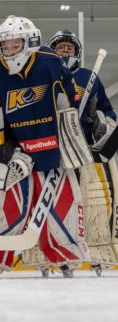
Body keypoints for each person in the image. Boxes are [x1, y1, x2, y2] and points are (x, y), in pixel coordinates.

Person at [0, 15, 91, 278]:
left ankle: (64, 255)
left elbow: (67, 103)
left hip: (51, 148)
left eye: (15, 45)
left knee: (62, 203)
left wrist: (72, 134)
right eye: (6, 46)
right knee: (9, 205)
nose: (10, 51)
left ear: (30, 42)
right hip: (16, 153)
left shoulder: (50, 63)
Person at [47, 30, 118, 276]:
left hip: (84, 152)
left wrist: (101, 121)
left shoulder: (89, 77)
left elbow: (109, 112)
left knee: (90, 204)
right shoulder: (43, 75)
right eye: (60, 47)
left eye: (70, 48)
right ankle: (58, 253)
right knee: (59, 204)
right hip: (53, 152)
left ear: (77, 52)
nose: (65, 52)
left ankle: (95, 252)